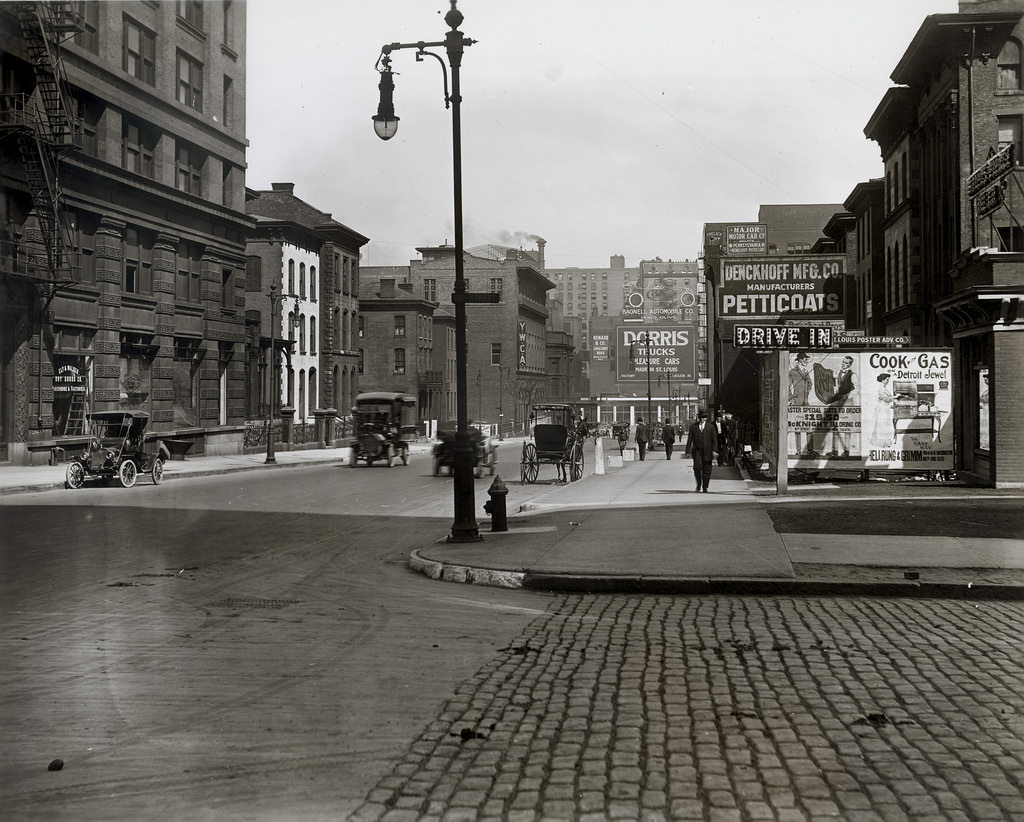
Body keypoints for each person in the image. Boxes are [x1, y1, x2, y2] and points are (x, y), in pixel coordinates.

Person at [824, 355, 856, 457]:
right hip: (838, 403)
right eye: (843, 362)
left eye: (846, 363)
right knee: (835, 426)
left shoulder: (853, 375)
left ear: (850, 365)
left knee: (846, 427)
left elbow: (856, 389)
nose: (843, 364)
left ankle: (846, 451)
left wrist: (847, 397)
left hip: (848, 404)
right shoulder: (838, 373)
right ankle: (835, 450)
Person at [788, 352, 816, 456]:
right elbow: (787, 386)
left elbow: (810, 383)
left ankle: (810, 450)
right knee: (797, 427)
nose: (806, 361)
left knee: (809, 426)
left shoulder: (806, 371)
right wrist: (791, 398)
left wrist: (806, 393)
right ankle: (798, 450)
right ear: (800, 360)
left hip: (806, 402)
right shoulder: (792, 372)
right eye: (805, 359)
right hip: (796, 402)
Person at [685, 408, 718, 492]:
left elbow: (714, 440)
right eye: (701, 417)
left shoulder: (711, 427)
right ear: (699, 417)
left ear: (706, 418)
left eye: (704, 417)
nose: (703, 419)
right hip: (697, 451)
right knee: (697, 467)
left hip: (708, 451)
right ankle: (699, 484)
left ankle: (705, 486)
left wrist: (714, 451)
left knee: (707, 469)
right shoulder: (693, 427)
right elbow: (690, 439)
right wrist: (687, 451)